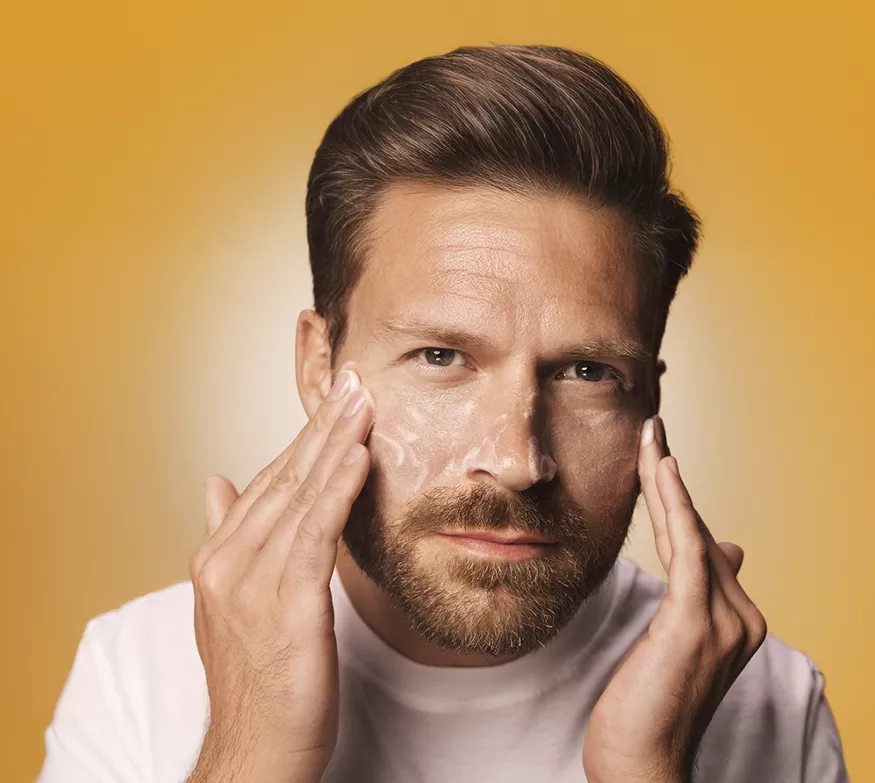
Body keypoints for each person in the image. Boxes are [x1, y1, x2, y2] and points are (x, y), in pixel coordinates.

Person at [37, 44, 849, 783]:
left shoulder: (768, 701)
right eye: (440, 356)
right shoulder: (137, 672)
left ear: (649, 400)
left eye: (586, 372)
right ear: (319, 368)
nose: (518, 461)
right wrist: (248, 749)